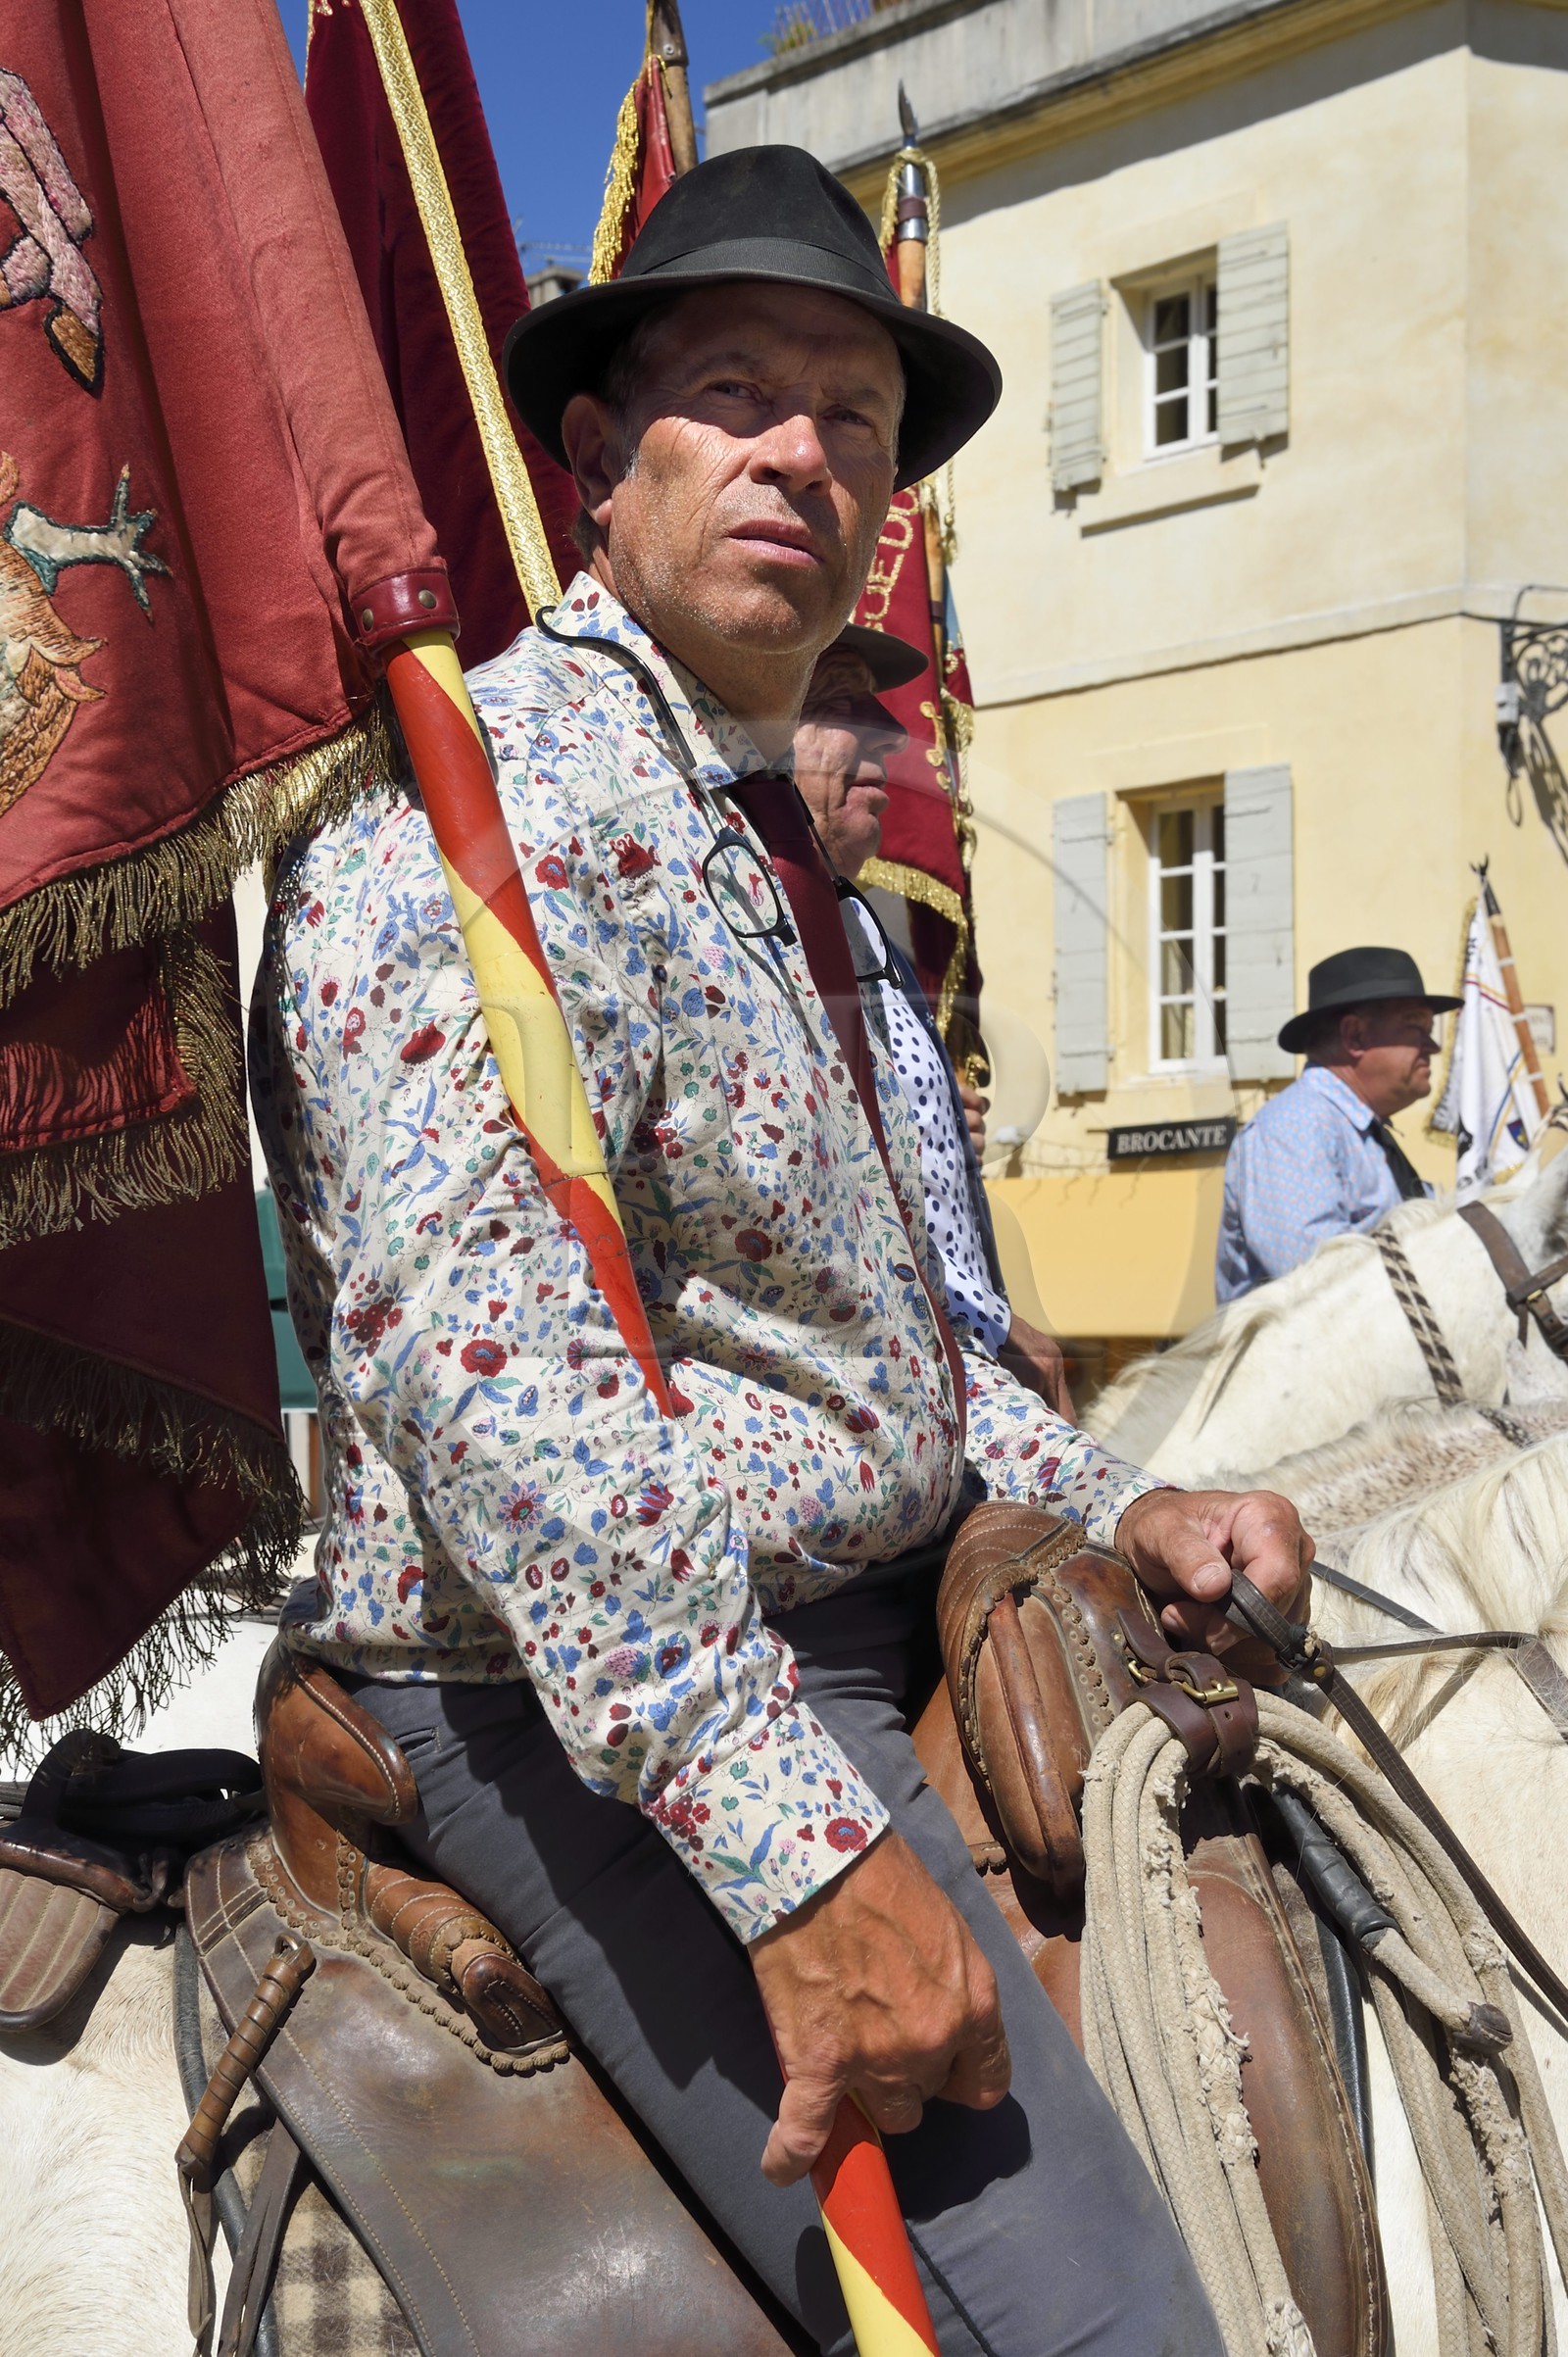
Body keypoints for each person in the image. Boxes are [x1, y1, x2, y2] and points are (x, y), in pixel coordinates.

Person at [254, 146, 1312, 2356]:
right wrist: (801, 1853)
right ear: (590, 465)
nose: (800, 454)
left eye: (849, 420)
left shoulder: (795, 877)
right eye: (732, 395)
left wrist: (1123, 1495)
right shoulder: (472, 829)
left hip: (855, 1605)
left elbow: (919, 1339)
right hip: (581, 1684)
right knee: (1114, 2332)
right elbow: (511, 1410)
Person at [794, 624, 1075, 1414]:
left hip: (962, 1375)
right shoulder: (749, 923)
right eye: (845, 706)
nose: (889, 733)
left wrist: (943, 1116)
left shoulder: (858, 925)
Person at [1215, 945, 1461, 1301]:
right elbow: (1322, 1285)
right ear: (1355, 1036)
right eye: (1414, 1026)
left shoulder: (1358, 1133)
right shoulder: (1294, 1127)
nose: (1433, 1046)